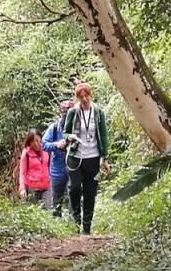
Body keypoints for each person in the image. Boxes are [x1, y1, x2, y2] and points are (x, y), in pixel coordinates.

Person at [63, 82, 110, 234]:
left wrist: (104, 157)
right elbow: (65, 132)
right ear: (77, 98)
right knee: (75, 188)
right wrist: (69, 137)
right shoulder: (73, 112)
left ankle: (86, 228)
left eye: (86, 95)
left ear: (91, 95)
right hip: (76, 156)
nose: (84, 99)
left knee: (90, 192)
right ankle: (76, 224)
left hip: (93, 157)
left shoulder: (98, 112)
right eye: (81, 96)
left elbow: (103, 135)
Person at [42, 100, 74, 217]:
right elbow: (44, 144)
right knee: (56, 199)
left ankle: (74, 224)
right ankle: (57, 224)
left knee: (74, 197)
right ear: (59, 114)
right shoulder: (54, 128)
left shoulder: (77, 127)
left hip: (74, 167)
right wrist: (56, 145)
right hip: (57, 169)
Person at [18, 129, 50, 204]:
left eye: (39, 140)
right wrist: (22, 189)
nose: (37, 143)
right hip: (33, 188)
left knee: (48, 212)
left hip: (46, 187)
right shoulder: (26, 153)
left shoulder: (46, 150)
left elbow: (49, 167)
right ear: (30, 142)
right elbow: (22, 173)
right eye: (34, 141)